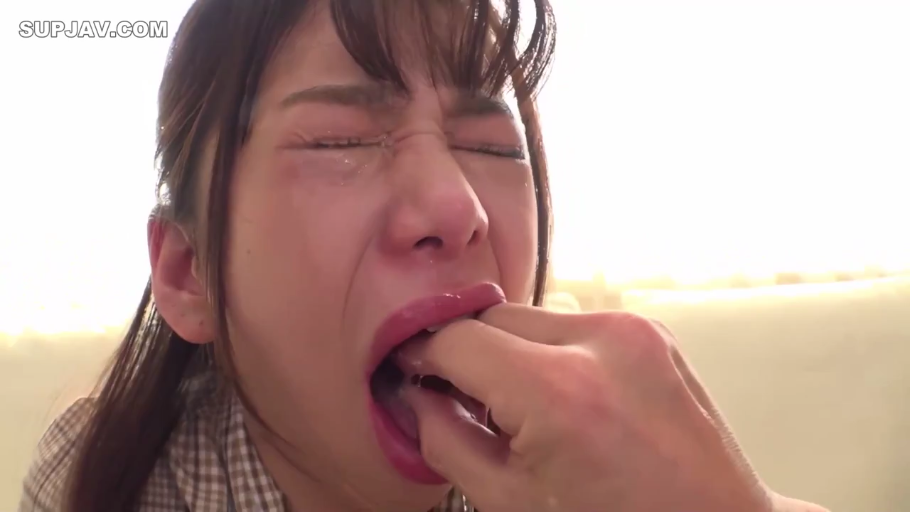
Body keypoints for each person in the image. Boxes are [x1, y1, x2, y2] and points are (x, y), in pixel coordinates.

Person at [19, 0, 830, 511]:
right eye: (340, 139)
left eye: (493, 147)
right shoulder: (112, 478)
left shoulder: (587, 465)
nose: (457, 207)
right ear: (190, 273)